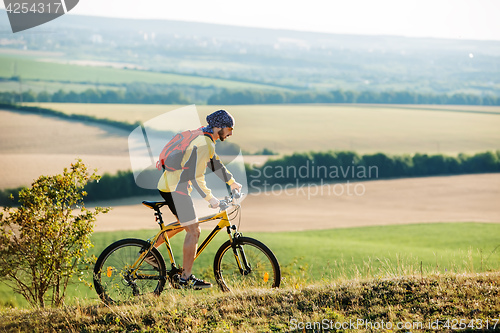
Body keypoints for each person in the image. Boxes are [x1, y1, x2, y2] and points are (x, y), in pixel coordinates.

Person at [152, 109, 242, 289]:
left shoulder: (204, 136)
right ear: (219, 127)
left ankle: (149, 252)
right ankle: (186, 278)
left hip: (171, 186)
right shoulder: (204, 142)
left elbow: (214, 162)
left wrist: (232, 182)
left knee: (183, 225)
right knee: (194, 231)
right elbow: (195, 176)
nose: (231, 133)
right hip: (176, 189)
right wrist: (211, 198)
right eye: (229, 128)